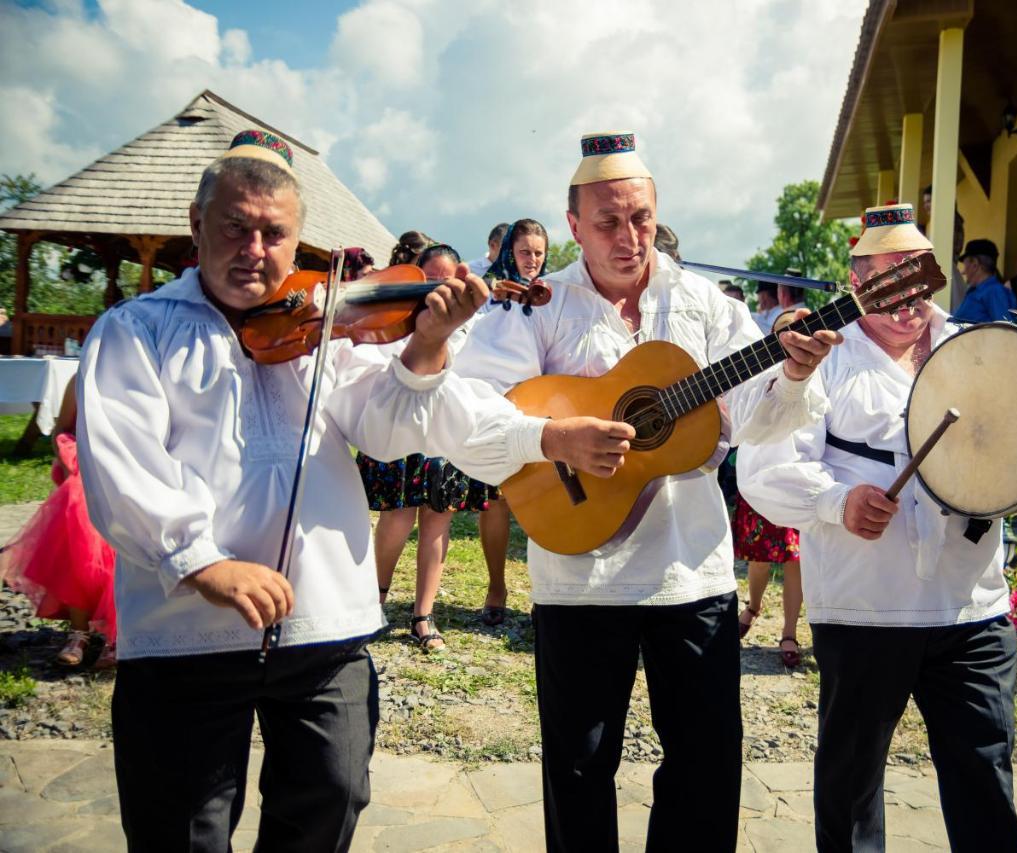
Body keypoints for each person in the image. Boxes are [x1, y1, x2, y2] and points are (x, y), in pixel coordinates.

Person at [75, 129, 626, 852]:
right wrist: (204, 560)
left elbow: (401, 420)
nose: (254, 248)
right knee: (181, 826)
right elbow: (122, 464)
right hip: (186, 632)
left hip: (322, 624)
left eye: (274, 233)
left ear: (299, 242)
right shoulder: (138, 330)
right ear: (195, 224)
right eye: (236, 227)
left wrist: (457, 371)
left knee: (333, 794)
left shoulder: (326, 333)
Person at [455, 131, 839, 852]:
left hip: (689, 572)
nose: (628, 237)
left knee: (705, 763)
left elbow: (754, 418)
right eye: (607, 222)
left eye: (639, 218)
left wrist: (791, 373)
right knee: (578, 765)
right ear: (572, 225)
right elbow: (474, 411)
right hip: (578, 576)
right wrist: (555, 439)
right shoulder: (537, 306)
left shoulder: (706, 305)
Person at [738, 202, 1017, 853]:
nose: (905, 299)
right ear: (856, 283)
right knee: (852, 790)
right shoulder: (823, 359)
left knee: (986, 783)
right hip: (866, 612)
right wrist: (839, 501)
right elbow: (762, 469)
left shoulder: (972, 350)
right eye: (887, 282)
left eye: (914, 280)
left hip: (970, 608)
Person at [356, 241, 471, 652]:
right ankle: (374, 600)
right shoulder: (396, 320)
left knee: (438, 521)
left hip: (445, 436)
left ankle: (424, 615)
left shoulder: (471, 324)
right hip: (403, 434)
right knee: (397, 519)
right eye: (431, 277)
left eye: (448, 277)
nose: (440, 287)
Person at [1, 381, 116, 668]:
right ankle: (79, 632)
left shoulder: (147, 370)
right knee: (77, 515)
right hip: (84, 468)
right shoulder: (82, 377)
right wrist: (69, 459)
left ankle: (118, 635)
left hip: (128, 469)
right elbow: (62, 429)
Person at [474, 218, 550, 625]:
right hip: (497, 403)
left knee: (546, 497)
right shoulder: (487, 290)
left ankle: (545, 593)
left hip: (541, 402)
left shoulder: (551, 293)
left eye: (539, 253)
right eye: (525, 252)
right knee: (498, 498)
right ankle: (496, 586)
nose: (533, 261)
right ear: (509, 252)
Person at [736, 307, 805, 668]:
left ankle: (789, 630)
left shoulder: (816, 372)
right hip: (760, 479)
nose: (792, 336)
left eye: (799, 329)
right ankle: (753, 606)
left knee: (796, 560)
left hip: (799, 478)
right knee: (760, 558)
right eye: (784, 331)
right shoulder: (757, 372)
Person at [952, 238, 1017, 324]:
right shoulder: (978, 290)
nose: (963, 272)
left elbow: (1004, 329)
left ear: (975, 264)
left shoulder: (994, 291)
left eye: (965, 264)